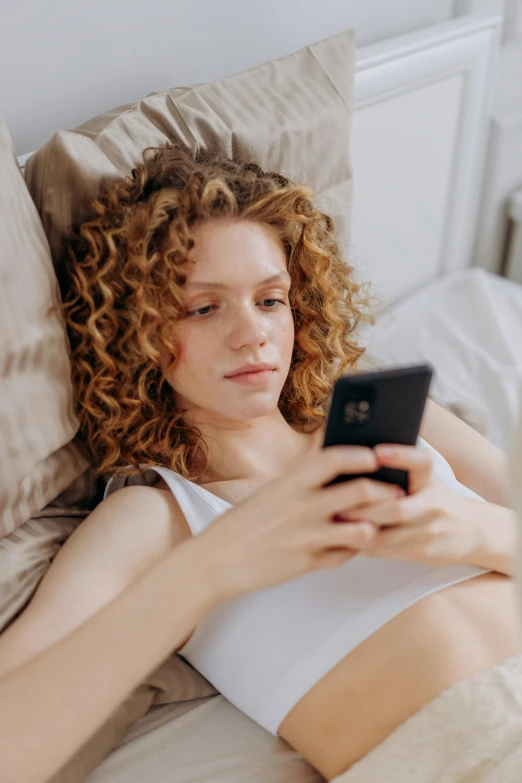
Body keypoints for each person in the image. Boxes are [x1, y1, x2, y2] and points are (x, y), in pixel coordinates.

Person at [1, 142, 521, 783]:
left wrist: (471, 529)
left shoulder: (394, 423)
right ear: (135, 332)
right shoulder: (159, 518)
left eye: (271, 300)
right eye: (203, 307)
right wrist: (206, 572)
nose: (253, 335)